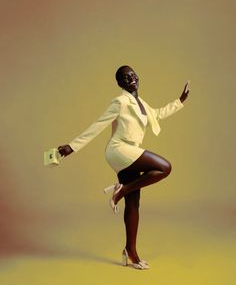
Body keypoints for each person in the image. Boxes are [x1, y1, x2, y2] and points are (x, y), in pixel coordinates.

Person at [58, 65, 190, 270]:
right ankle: (122, 190)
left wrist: (179, 102)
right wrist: (72, 146)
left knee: (134, 203)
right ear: (120, 84)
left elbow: (158, 114)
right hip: (119, 150)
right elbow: (98, 125)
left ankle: (131, 253)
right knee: (165, 167)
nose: (132, 79)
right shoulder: (119, 102)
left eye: (133, 75)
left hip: (129, 151)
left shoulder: (141, 103)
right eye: (126, 78)